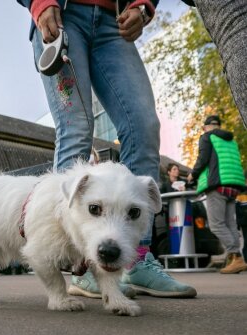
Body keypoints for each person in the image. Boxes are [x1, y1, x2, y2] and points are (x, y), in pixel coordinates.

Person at [18, 0, 196, 298]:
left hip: (115, 22)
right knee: (76, 128)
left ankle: (137, 259)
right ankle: (82, 265)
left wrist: (144, 4)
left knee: (143, 126)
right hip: (63, 13)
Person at [188, 115, 247, 274]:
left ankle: (236, 254)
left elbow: (203, 159)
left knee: (216, 225)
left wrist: (192, 175)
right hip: (234, 184)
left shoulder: (207, 137)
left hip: (218, 185)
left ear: (207, 127)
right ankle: (234, 259)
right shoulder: (231, 140)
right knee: (230, 224)